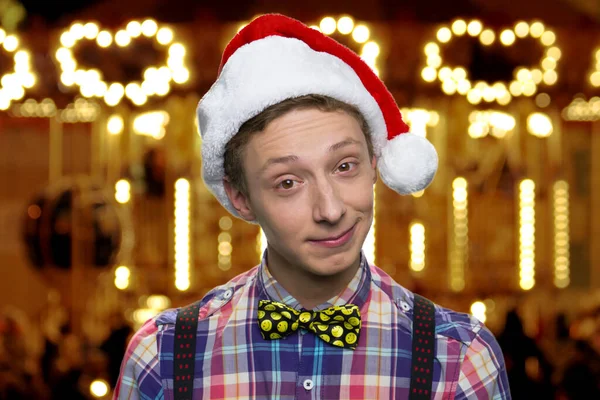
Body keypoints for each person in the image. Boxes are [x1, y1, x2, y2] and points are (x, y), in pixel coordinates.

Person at [114, 14, 510, 399]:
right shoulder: (163, 358)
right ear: (240, 197)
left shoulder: (459, 358)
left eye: (344, 166)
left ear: (375, 163)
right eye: (288, 182)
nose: (331, 209)